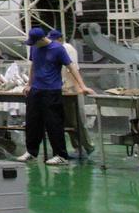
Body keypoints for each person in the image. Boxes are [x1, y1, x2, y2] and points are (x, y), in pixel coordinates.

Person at [18, 27, 95, 165]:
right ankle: (31, 152)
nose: (33, 45)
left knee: (54, 123)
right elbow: (33, 65)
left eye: (35, 42)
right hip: (36, 90)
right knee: (32, 123)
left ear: (42, 39)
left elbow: (71, 67)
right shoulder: (34, 48)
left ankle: (60, 155)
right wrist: (29, 84)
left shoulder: (58, 49)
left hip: (51, 91)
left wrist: (82, 86)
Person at [51, 29, 95, 158]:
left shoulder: (68, 49)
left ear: (60, 39)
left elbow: (72, 69)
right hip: (60, 88)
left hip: (71, 89)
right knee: (66, 121)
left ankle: (88, 146)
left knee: (77, 120)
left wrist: (78, 88)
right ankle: (77, 147)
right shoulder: (54, 49)